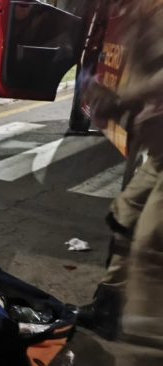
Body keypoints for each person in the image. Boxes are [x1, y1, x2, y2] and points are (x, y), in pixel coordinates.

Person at [77, 0, 163, 346]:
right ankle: (107, 308)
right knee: (125, 218)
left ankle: (148, 342)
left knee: (151, 242)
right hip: (158, 150)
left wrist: (123, 98)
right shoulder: (135, 14)